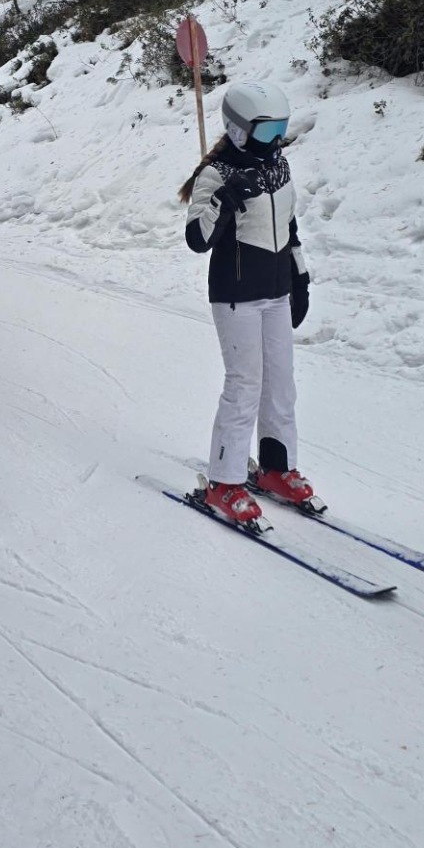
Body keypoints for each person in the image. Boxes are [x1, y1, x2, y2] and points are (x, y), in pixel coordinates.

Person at [181, 80, 315, 526]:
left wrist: (299, 277)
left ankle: (276, 468)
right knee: (244, 385)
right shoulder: (216, 174)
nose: (275, 140)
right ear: (238, 129)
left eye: (281, 128)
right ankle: (224, 482)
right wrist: (223, 199)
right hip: (236, 296)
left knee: (281, 383)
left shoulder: (279, 167)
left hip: (276, 292)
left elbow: (289, 228)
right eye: (266, 130)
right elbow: (197, 238)